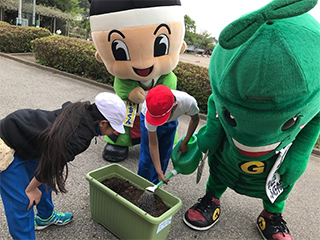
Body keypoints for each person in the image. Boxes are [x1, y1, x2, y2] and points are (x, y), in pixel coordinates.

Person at [182, 1, 320, 240]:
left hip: (278, 155)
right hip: (229, 152)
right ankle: (211, 197)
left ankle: (271, 214)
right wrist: (205, 139)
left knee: (279, 181)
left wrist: (299, 156)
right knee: (220, 168)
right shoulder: (224, 95)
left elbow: (316, 118)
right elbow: (216, 104)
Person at [0, 92, 126, 240]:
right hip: (5, 143)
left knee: (44, 180)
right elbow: (53, 164)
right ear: (102, 123)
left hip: (27, 139)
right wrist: (31, 189)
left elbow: (50, 164)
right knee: (23, 201)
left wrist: (35, 184)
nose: (114, 132)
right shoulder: (79, 138)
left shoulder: (84, 110)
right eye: (113, 128)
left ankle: (45, 217)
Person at [89, 0, 186, 162]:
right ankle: (120, 144)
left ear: (180, 47)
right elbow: (120, 83)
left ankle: (162, 144)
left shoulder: (166, 75)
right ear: (101, 56)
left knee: (163, 122)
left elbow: (170, 81)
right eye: (119, 51)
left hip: (157, 106)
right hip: (130, 105)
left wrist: (160, 95)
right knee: (123, 120)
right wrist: (130, 92)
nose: (143, 64)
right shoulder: (124, 77)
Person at [138, 85, 200, 184]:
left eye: (161, 118)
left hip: (170, 122)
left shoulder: (187, 102)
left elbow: (195, 119)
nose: (159, 122)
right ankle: (141, 184)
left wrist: (185, 141)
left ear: (175, 106)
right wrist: (158, 170)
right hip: (148, 119)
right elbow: (153, 144)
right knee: (147, 157)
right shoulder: (149, 112)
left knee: (165, 153)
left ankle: (154, 185)